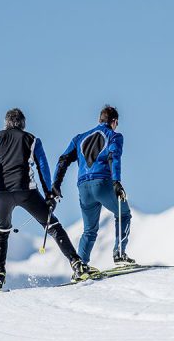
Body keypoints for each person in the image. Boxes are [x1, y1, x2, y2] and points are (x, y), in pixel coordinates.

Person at [0, 108, 91, 290]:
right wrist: (49, 194)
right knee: (52, 226)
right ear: (23, 124)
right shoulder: (32, 140)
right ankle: (77, 264)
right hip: (26, 191)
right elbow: (43, 166)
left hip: (1, 193)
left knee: (2, 232)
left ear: (6, 123)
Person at [52, 105, 134, 267]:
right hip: (102, 183)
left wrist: (56, 185)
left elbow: (63, 160)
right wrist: (116, 182)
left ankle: (80, 266)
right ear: (114, 121)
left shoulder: (79, 138)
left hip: (83, 187)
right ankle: (119, 253)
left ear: (99, 120)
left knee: (89, 230)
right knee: (124, 214)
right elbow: (113, 157)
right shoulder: (114, 136)